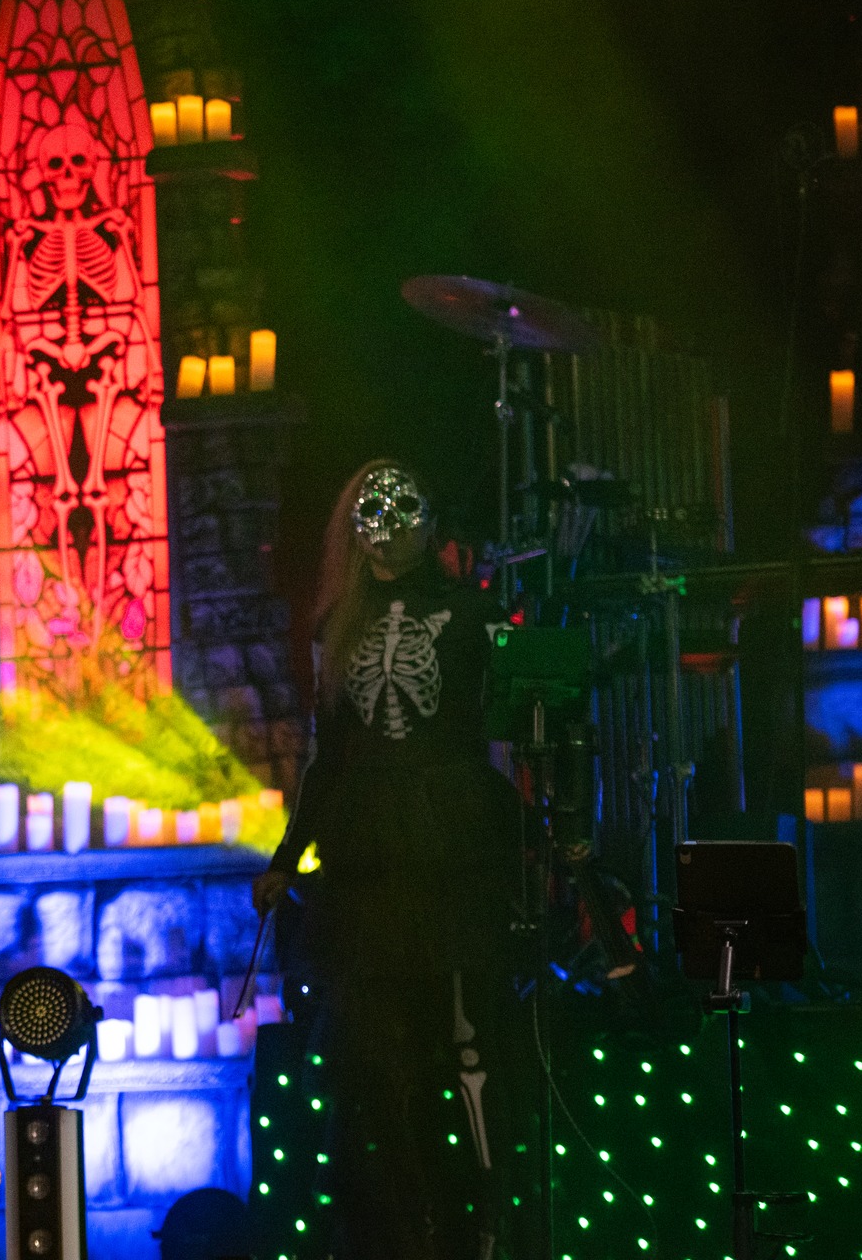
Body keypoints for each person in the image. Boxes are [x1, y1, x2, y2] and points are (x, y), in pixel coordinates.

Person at [253, 461, 522, 1260]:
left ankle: (486, 1217)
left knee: (464, 1031)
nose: (387, 525)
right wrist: (286, 857)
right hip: (368, 850)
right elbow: (328, 756)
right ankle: (400, 1229)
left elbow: (500, 727)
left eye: (403, 510)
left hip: (449, 837)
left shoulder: (468, 617)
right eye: (372, 512)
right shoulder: (335, 629)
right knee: (376, 1051)